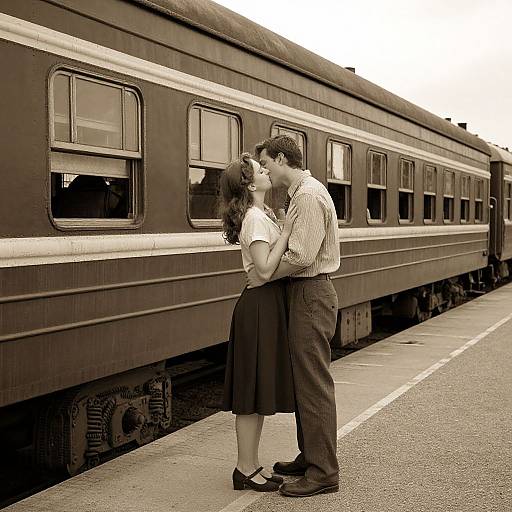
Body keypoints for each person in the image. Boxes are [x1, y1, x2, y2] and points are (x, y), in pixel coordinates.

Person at [250, 134, 341, 497]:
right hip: (305, 293)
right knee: (304, 381)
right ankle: (311, 456)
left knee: (313, 384)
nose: (266, 170)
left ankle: (324, 472)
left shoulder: (307, 196)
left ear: (283, 159)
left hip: (311, 294)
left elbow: (301, 257)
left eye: (268, 162)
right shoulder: (300, 195)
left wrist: (263, 273)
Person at [219, 152, 298, 492]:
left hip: (264, 306)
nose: (267, 171)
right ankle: (243, 468)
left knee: (257, 394)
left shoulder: (260, 213)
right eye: (260, 169)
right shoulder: (253, 218)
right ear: (251, 184)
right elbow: (265, 270)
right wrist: (287, 231)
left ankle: (250, 465)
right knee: (250, 395)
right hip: (258, 308)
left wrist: (279, 221)